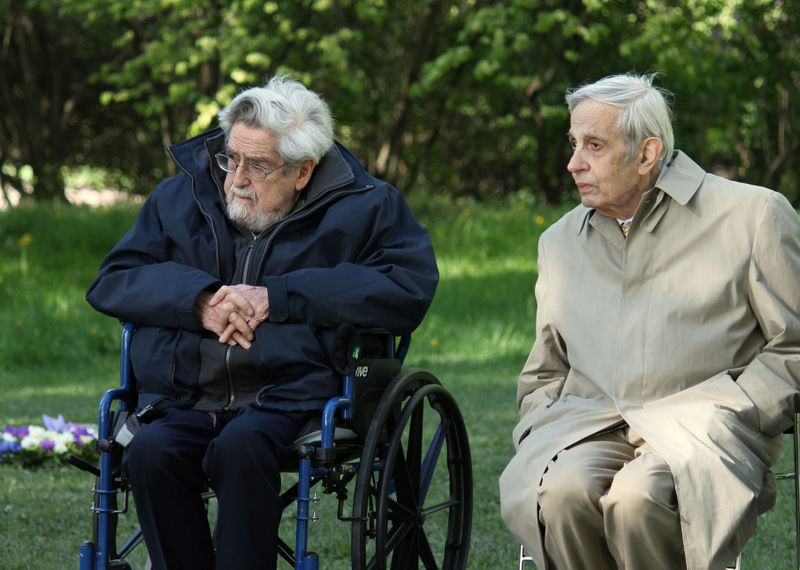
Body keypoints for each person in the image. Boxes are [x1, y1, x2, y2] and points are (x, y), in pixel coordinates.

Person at [86, 75, 438, 569]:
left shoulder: (367, 206)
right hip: (185, 393)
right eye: (230, 158)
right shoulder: (180, 197)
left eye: (257, 166)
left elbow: (408, 287)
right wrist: (199, 301)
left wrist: (281, 296)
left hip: (290, 395)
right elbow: (114, 279)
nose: (235, 179)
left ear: (302, 171)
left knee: (240, 448)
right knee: (151, 453)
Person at [499, 73, 800, 570]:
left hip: (703, 427)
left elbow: (793, 345)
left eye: (594, 145)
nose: (574, 163)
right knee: (562, 492)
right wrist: (541, 424)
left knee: (636, 499)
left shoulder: (754, 215)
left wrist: (741, 410)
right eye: (573, 143)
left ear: (647, 154)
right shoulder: (559, 242)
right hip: (588, 427)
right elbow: (545, 368)